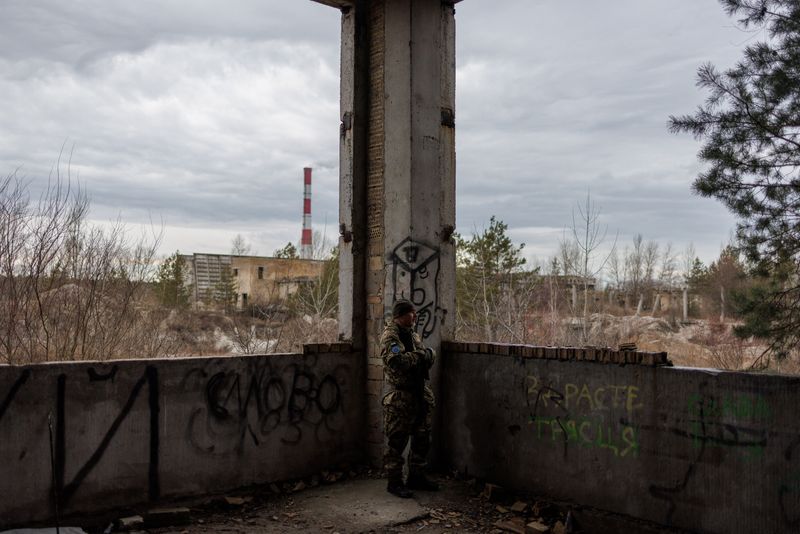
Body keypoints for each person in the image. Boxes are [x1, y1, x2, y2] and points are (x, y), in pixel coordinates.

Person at [380, 299, 439, 498]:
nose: (415, 316)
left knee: (422, 437)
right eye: (411, 313)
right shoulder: (390, 337)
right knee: (397, 441)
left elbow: (425, 356)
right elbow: (397, 361)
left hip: (419, 393)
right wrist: (420, 357)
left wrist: (424, 356)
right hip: (401, 397)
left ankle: (417, 476)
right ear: (400, 315)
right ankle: (394, 482)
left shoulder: (412, 334)